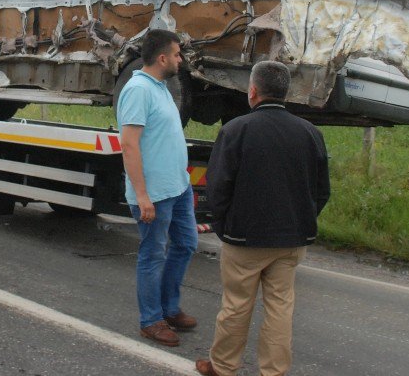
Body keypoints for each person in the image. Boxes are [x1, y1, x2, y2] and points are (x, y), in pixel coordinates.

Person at [195, 61, 331, 376]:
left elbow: (217, 187)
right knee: (281, 307)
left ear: (252, 91)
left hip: (244, 237)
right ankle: (273, 371)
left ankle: (224, 366)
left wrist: (224, 226)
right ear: (286, 92)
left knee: (237, 304)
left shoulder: (235, 130)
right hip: (292, 238)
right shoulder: (311, 133)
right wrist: (304, 219)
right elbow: (322, 190)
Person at [118, 28, 198, 347]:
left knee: (186, 243)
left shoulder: (161, 86)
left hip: (178, 187)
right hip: (154, 194)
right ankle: (151, 320)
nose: (181, 59)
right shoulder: (138, 89)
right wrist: (141, 195)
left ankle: (169, 308)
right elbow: (129, 145)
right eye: (177, 54)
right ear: (162, 57)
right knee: (153, 255)